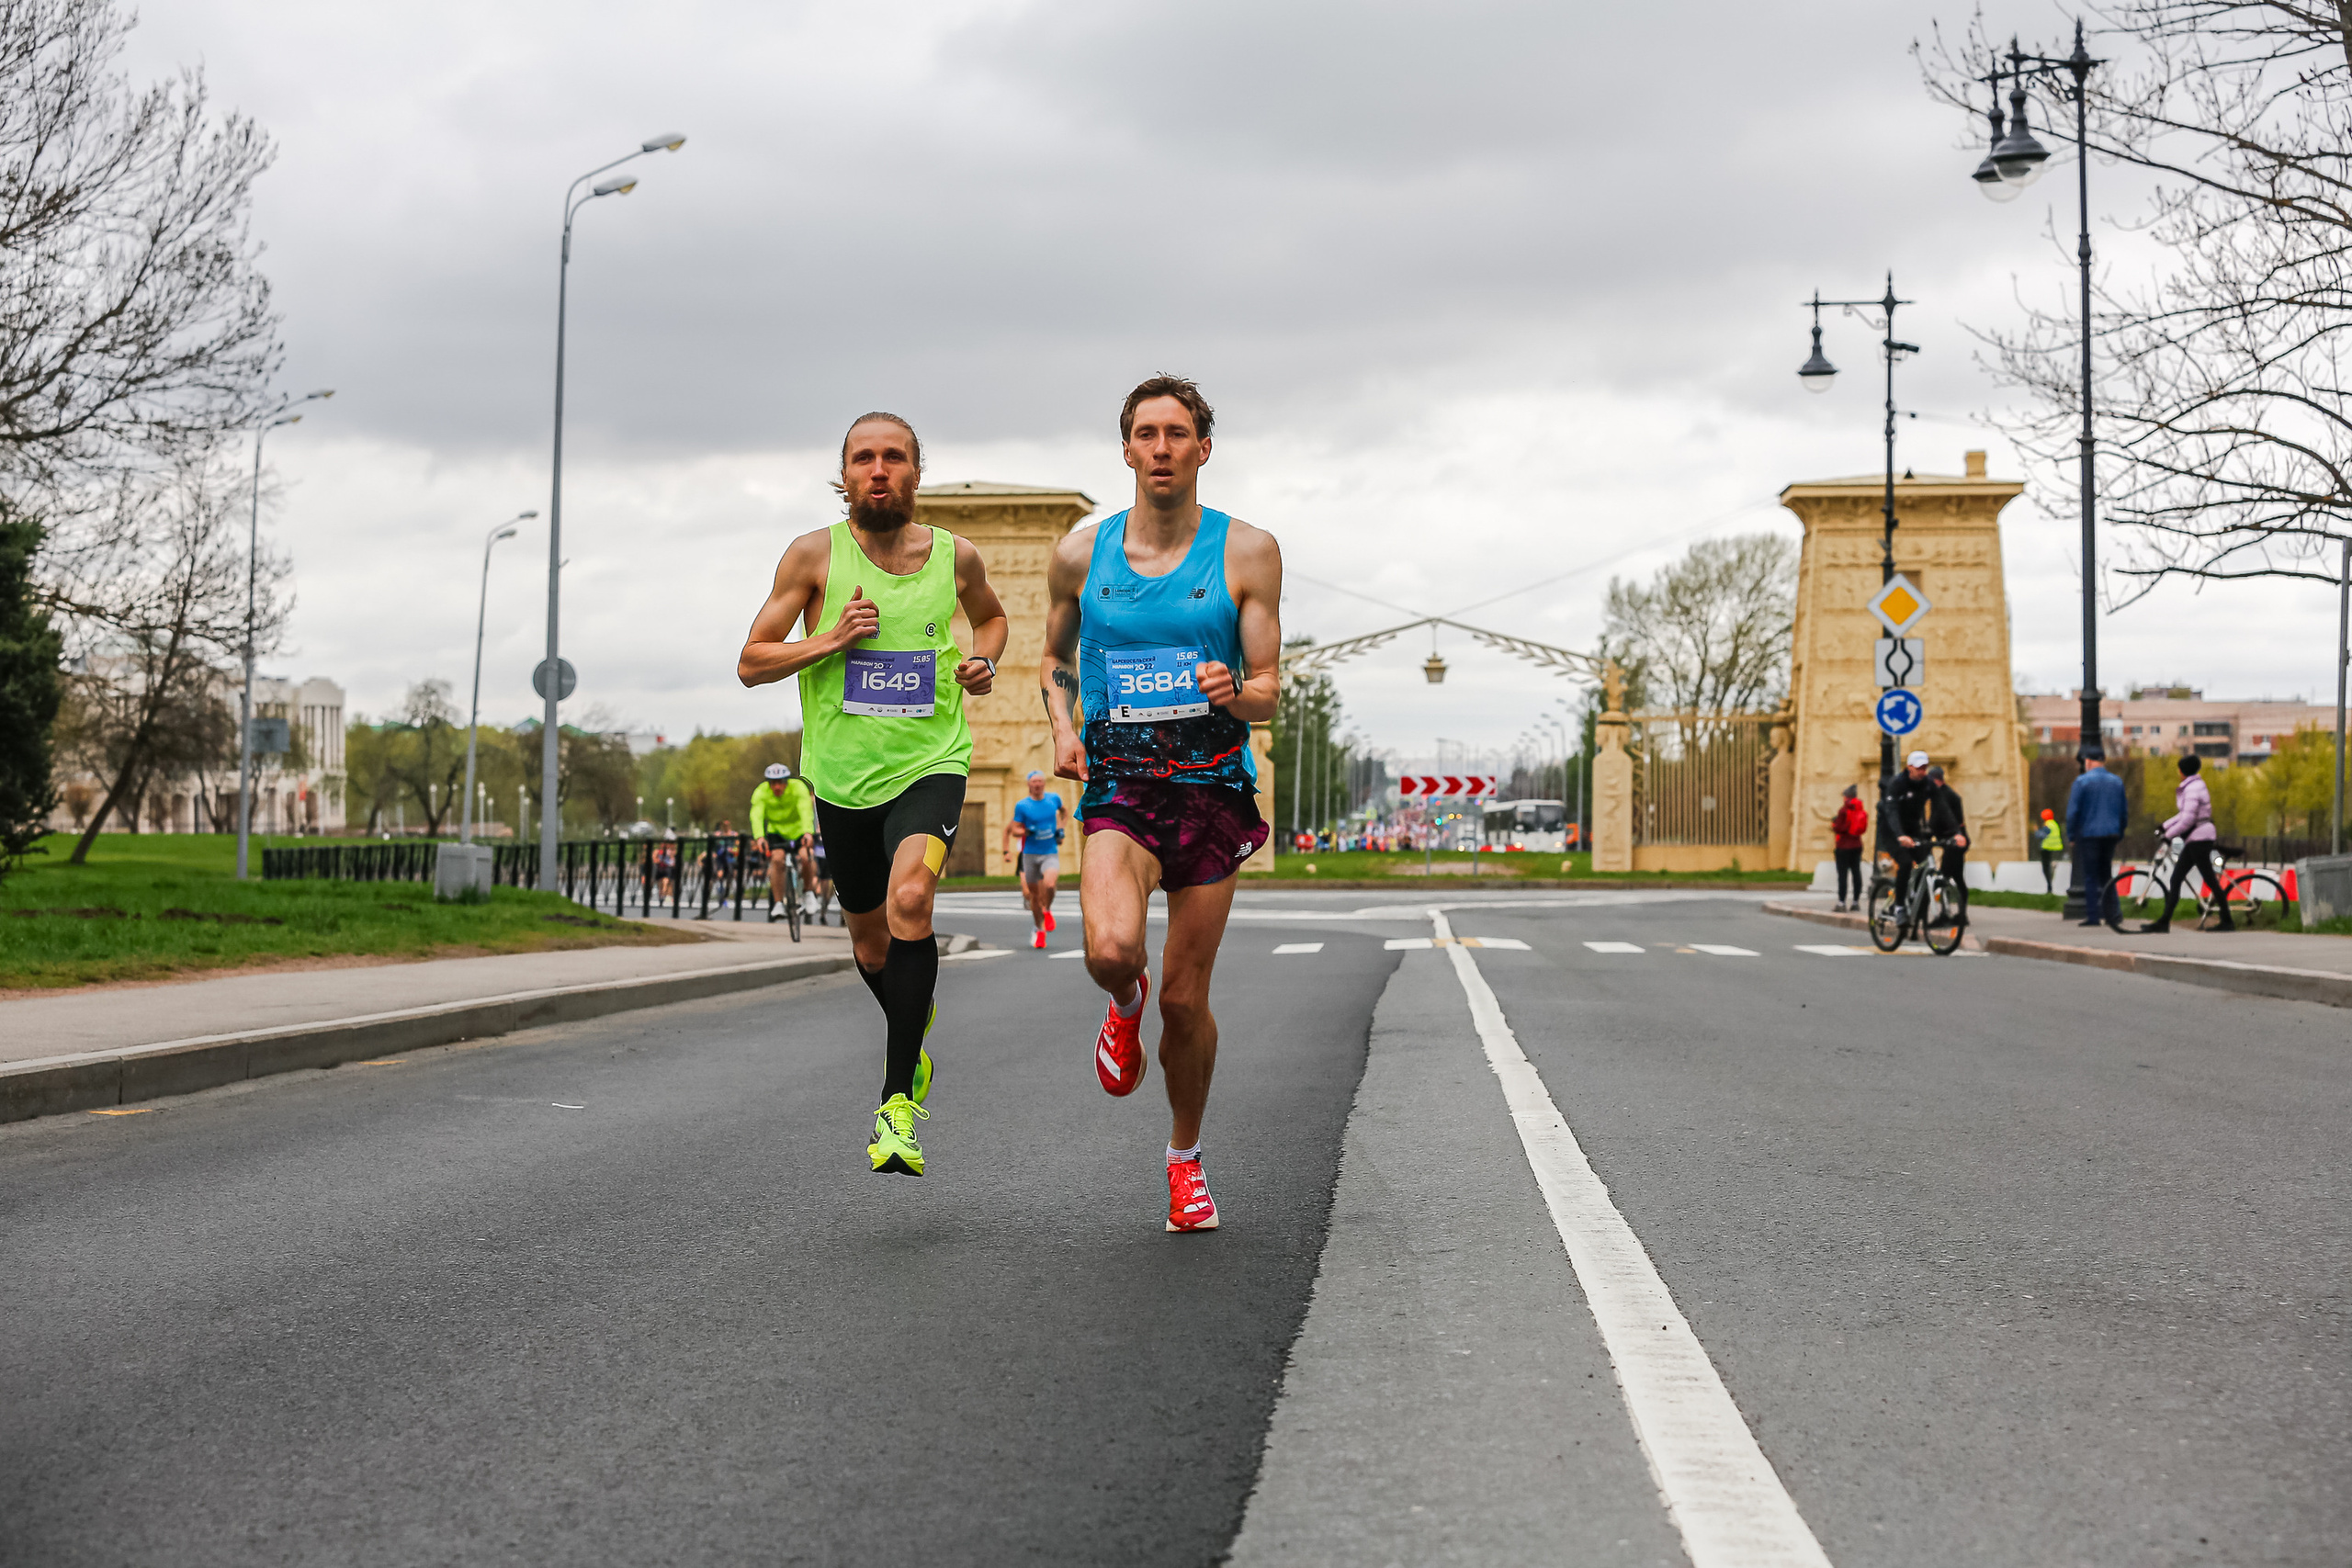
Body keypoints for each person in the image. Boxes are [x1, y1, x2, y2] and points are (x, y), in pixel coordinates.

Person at [736, 411, 1009, 1177]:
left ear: (917, 472)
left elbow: (991, 619)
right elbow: (752, 661)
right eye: (864, 458)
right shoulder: (813, 555)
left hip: (932, 762)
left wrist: (983, 661)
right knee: (869, 943)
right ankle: (911, 1040)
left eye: (894, 457)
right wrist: (831, 637)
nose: (878, 469)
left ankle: (896, 1107)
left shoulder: (955, 556)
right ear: (845, 474)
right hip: (843, 781)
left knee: (911, 901)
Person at [1041, 374, 1278, 1234]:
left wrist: (1233, 690)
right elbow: (1054, 659)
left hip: (1212, 788)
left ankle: (1185, 1157)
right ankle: (1123, 1004)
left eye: (1178, 434)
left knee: (1186, 999)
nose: (1162, 448)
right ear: (1127, 450)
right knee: (1111, 951)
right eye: (1147, 434)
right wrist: (1063, 727)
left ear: (1203, 448)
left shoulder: (1247, 551)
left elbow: (1269, 690)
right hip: (1122, 786)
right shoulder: (1081, 555)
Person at [2140, 753, 2233, 933]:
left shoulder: (2192, 789)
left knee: (2206, 880)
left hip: (2199, 839)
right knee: (2178, 879)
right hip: (2197, 839)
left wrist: (2168, 836)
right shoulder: (2194, 786)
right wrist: (2164, 826)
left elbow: (2187, 820)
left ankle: (2227, 921)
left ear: (2182, 771)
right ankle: (2164, 922)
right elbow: (2184, 815)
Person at [1001, 771, 1069, 949]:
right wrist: (1024, 833)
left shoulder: (1054, 799)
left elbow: (1065, 812)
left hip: (1049, 852)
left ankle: (1047, 910)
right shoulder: (1022, 806)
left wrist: (1060, 829)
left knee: (1050, 884)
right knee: (1033, 896)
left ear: (1044, 783)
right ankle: (1039, 929)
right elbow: (1012, 830)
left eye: (1040, 781)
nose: (1037, 784)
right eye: (1034, 782)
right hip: (1029, 854)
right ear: (1029, 785)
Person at [2064, 755, 2128, 931]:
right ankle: (2113, 914)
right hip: (2111, 833)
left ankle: (2093, 916)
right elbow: (2123, 811)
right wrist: (2120, 832)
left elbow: (2073, 812)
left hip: (2089, 833)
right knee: (2106, 874)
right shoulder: (2116, 781)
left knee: (2091, 876)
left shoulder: (2082, 781)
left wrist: (2071, 835)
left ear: (2088, 762)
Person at [749, 762, 817, 924]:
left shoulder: (798, 787)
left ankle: (808, 893)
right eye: (773, 783)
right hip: (777, 832)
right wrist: (760, 837)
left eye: (780, 782)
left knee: (806, 856)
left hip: (799, 829)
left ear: (787, 781)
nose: (777, 787)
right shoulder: (761, 792)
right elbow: (756, 815)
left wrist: (808, 832)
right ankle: (778, 903)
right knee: (777, 860)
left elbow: (805, 810)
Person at [1830, 784, 1869, 911]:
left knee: (1843, 875)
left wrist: (1834, 824)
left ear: (1846, 797)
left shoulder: (1844, 810)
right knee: (1856, 873)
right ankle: (1856, 902)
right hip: (1857, 845)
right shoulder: (1860, 810)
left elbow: (1839, 828)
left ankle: (1841, 903)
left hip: (1843, 846)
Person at [2035, 808, 2064, 896]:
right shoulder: (2054, 824)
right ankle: (2051, 887)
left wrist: (2036, 831)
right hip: (2056, 849)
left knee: (2047, 869)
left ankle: (2049, 888)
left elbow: (2041, 835)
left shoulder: (2048, 825)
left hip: (2047, 849)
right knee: (2051, 868)